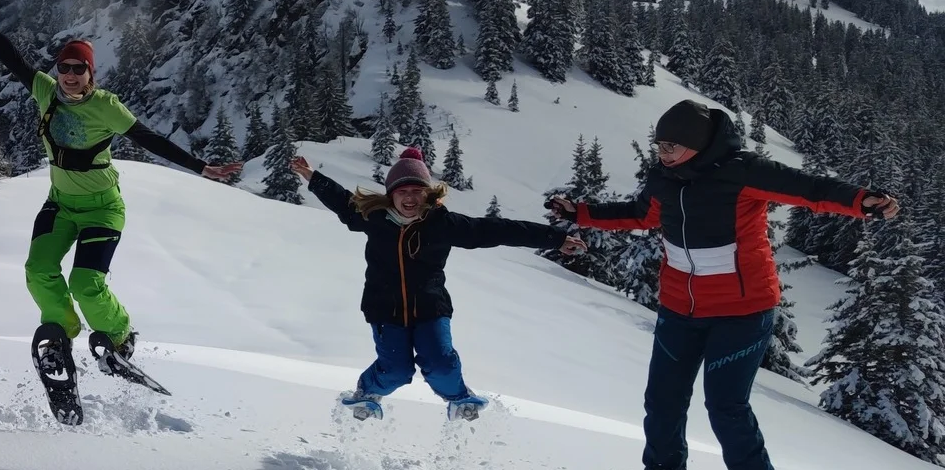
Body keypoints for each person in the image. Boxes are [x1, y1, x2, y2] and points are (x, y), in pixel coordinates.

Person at [548, 99, 899, 470]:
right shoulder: (663, 179)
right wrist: (580, 213)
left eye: (671, 147)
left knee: (725, 408)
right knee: (663, 402)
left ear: (697, 145)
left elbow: (808, 189)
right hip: (679, 311)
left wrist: (862, 201)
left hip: (742, 313)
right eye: (659, 146)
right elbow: (640, 214)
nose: (663, 154)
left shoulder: (743, 171)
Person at [0, 0, 244, 380]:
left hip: (102, 209)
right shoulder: (45, 91)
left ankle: (120, 335)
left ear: (91, 74)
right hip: (60, 204)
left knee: (85, 281)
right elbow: (13, 59)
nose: (70, 75)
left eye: (79, 69)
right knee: (38, 270)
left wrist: (201, 167)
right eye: (65, 67)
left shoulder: (106, 107)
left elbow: (150, 139)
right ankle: (60, 333)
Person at [294, 150, 586, 420]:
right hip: (384, 309)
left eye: (417, 191)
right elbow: (342, 200)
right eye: (403, 192)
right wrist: (312, 177)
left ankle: (460, 399)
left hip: (431, 308)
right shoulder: (374, 218)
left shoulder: (442, 224)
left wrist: (556, 238)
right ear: (391, 195)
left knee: (441, 364)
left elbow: (497, 230)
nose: (410, 198)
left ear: (428, 194)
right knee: (396, 370)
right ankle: (368, 393)